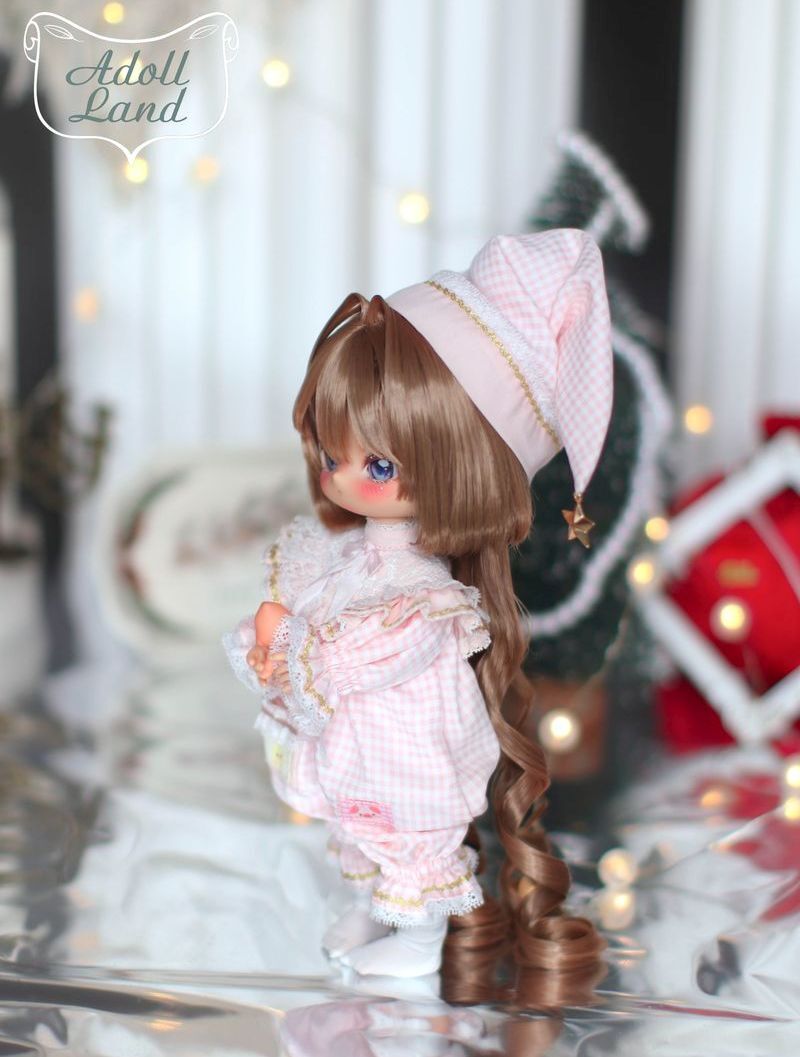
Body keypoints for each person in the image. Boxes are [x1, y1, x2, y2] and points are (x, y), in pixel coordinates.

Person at [225, 229, 613, 980]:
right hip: (356, 738)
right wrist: (272, 636)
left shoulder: (424, 596)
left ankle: (419, 935)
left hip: (406, 743)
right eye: (332, 455)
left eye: (377, 465)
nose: (342, 477)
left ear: (463, 468)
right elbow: (309, 615)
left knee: (406, 824)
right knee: (357, 819)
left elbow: (373, 648)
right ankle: (375, 906)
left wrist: (300, 649)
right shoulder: (347, 559)